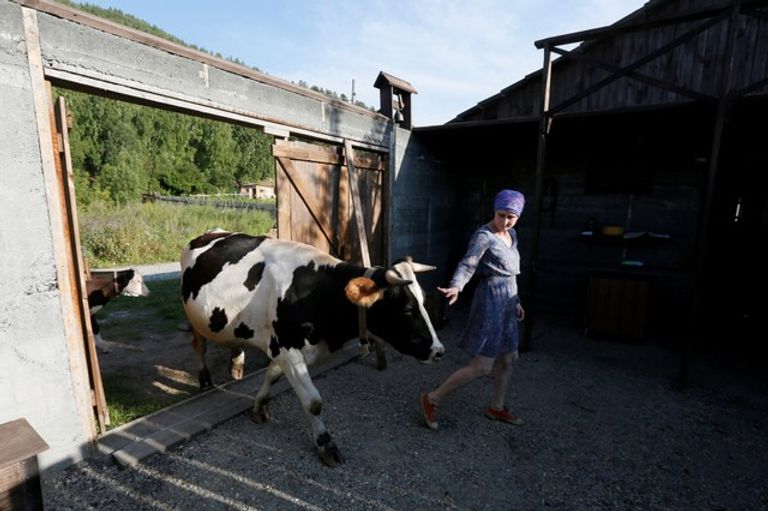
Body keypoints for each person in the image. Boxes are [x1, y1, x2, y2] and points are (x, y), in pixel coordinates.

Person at [420, 189, 526, 430]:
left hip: (509, 302)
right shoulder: (484, 236)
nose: (506, 222)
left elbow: (512, 273)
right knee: (483, 366)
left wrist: (517, 300)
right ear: (494, 210)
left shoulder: (513, 235)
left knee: (509, 358)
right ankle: (432, 398)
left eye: (512, 217)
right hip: (490, 302)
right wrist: (456, 286)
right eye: (502, 215)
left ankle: (496, 408)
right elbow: (468, 264)